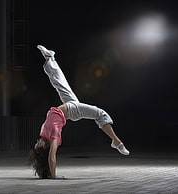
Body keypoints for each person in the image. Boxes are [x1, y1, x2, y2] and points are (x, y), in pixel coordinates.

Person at [29, 45, 130, 179]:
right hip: (73, 111)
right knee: (100, 113)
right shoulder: (54, 137)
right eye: (38, 144)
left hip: (69, 106)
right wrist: (54, 177)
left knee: (59, 83)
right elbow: (52, 157)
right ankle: (116, 142)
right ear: (44, 147)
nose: (37, 141)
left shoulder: (43, 134)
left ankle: (50, 59)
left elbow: (46, 152)